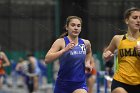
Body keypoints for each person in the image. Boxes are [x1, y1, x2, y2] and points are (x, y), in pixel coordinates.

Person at [45, 16, 93, 93]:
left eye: (78, 26)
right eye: (73, 25)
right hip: (63, 85)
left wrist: (87, 62)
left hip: (80, 84)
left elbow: (89, 52)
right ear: (67, 27)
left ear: (81, 28)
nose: (76, 28)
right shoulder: (60, 42)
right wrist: (64, 50)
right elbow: (47, 59)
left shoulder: (86, 43)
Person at [102, 7, 140, 93]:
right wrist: (106, 56)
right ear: (127, 21)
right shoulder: (117, 39)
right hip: (120, 81)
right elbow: (105, 55)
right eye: (135, 18)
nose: (138, 20)